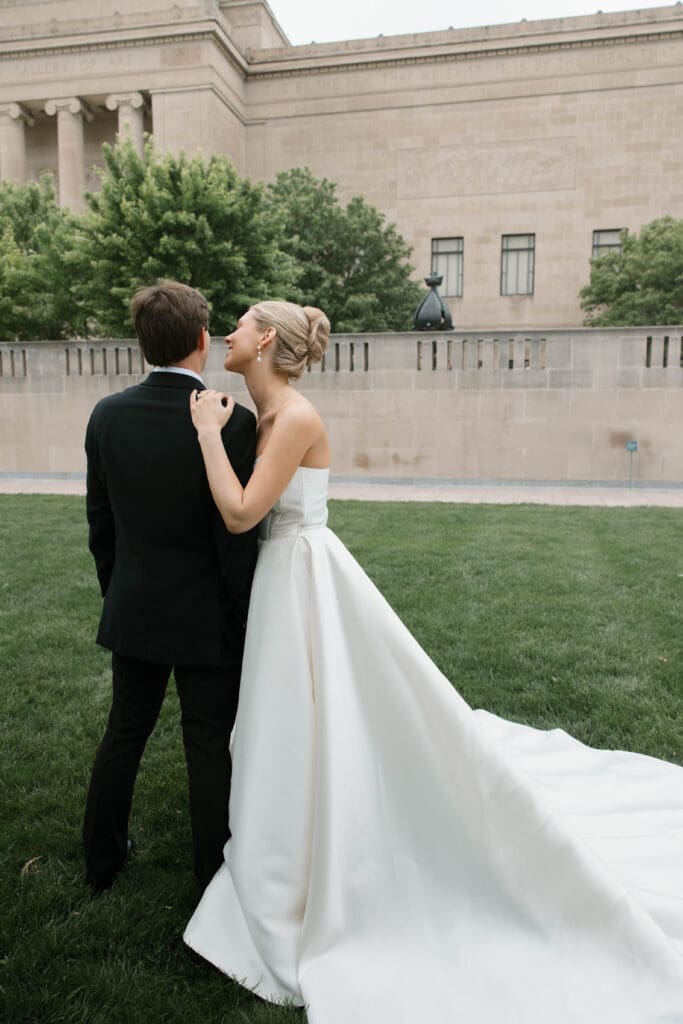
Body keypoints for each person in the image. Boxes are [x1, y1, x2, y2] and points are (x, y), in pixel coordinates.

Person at [183, 301, 683, 1023]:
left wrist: (203, 433)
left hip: (300, 576)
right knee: (291, 715)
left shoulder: (291, 417)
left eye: (239, 325)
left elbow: (239, 513)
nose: (228, 334)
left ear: (264, 340)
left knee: (304, 709)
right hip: (285, 575)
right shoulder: (268, 411)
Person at [83, 281, 258, 895]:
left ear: (142, 343)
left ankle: (100, 862)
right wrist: (240, 616)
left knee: (125, 730)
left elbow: (100, 526)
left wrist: (121, 592)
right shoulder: (232, 422)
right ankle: (212, 878)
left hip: (133, 605)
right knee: (208, 741)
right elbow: (235, 540)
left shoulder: (106, 416)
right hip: (206, 614)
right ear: (204, 340)